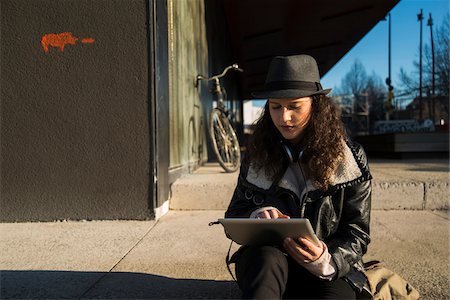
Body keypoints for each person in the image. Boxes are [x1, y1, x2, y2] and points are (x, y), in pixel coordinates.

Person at [225, 54, 372, 299]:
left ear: (316, 106)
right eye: (275, 106)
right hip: (269, 262)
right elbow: (234, 216)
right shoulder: (257, 155)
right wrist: (255, 216)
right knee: (264, 261)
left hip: (328, 267)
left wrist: (326, 259)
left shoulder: (349, 158)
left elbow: (358, 232)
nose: (284, 117)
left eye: (294, 106)